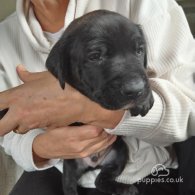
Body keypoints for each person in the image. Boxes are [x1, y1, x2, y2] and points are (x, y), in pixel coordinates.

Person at [0, 0, 194, 194]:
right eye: (95, 55)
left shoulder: (144, 4)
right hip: (61, 169)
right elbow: (8, 134)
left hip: (148, 168)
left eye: (138, 50)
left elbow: (190, 108)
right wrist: (37, 147)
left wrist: (89, 109)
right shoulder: (4, 39)